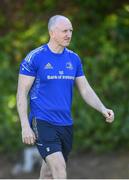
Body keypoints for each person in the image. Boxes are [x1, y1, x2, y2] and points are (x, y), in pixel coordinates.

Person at [16, 15, 114, 179]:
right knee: (59, 168)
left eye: (70, 31)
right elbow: (21, 94)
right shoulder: (35, 58)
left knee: (48, 172)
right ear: (52, 32)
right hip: (42, 121)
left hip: (65, 123)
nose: (68, 34)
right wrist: (25, 126)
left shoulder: (73, 59)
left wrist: (103, 108)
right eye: (64, 31)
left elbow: (85, 89)